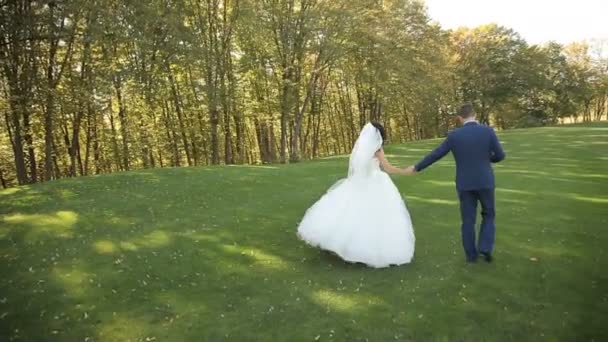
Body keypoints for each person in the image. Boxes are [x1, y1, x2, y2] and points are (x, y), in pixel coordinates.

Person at [297, 122, 415, 268]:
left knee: (350, 214)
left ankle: (340, 243)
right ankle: (368, 251)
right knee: (377, 218)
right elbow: (388, 168)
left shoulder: (361, 148)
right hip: (375, 182)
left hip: (359, 182)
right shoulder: (377, 149)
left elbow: (357, 167)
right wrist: (406, 171)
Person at [405, 103, 505, 263]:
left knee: (468, 220)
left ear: (460, 118)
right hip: (485, 181)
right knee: (489, 214)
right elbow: (500, 155)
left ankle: (471, 256)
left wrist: (417, 167)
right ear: (475, 115)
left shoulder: (454, 135)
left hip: (465, 184)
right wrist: (487, 158)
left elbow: (436, 154)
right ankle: (485, 247)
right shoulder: (488, 131)